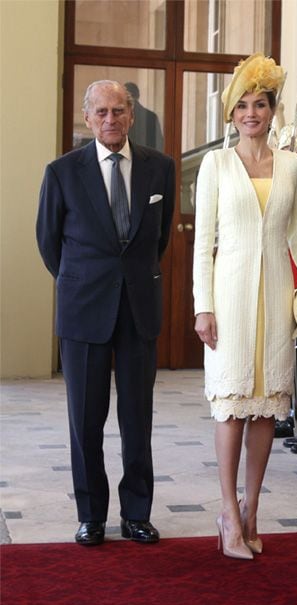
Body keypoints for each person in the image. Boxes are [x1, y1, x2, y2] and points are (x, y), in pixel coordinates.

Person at [192, 53, 297, 560]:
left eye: (261, 104)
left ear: (272, 111)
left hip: (275, 297)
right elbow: (204, 243)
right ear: (232, 114)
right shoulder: (216, 164)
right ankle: (226, 511)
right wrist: (204, 307)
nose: (252, 113)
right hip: (228, 298)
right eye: (243, 105)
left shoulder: (292, 163)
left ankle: (251, 511)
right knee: (231, 407)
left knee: (266, 410)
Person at [36, 80, 175, 546]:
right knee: (85, 420)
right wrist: (85, 281)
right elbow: (48, 243)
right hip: (84, 310)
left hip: (138, 308)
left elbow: (158, 241)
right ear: (87, 117)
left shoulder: (160, 169)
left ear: (132, 116)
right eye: (101, 112)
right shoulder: (62, 172)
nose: (110, 119)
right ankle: (91, 514)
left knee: (138, 417)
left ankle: (137, 513)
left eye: (119, 111)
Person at [124, 82, 164, 151]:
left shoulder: (122, 116)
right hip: (148, 157)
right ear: (138, 95)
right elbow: (160, 144)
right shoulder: (151, 116)